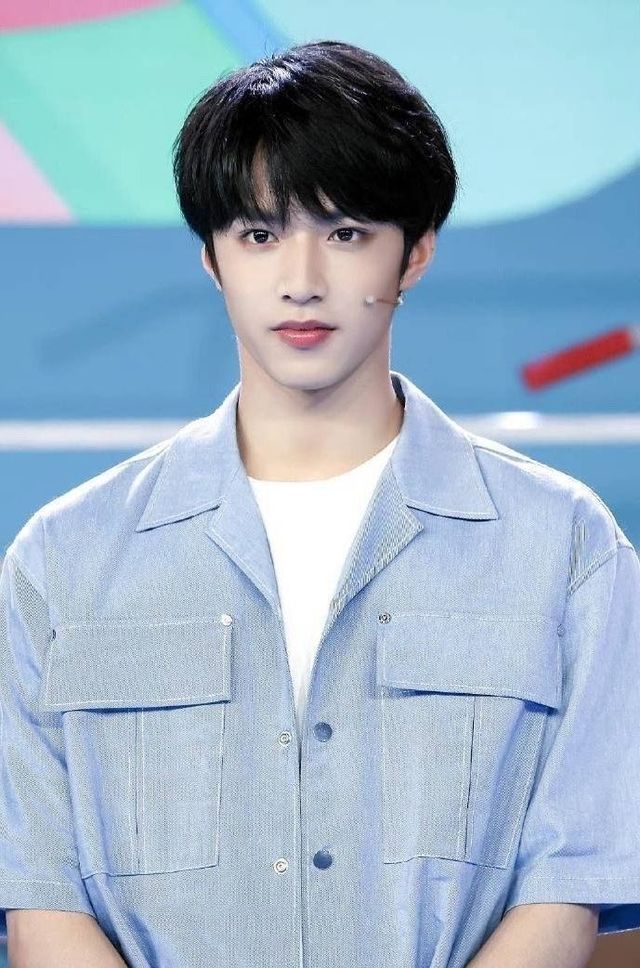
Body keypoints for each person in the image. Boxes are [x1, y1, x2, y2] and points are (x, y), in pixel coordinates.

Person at [1, 39, 639, 968]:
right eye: (259, 235)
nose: (301, 278)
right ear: (212, 259)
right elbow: (39, 896)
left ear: (415, 254)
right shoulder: (61, 560)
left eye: (345, 233)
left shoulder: (567, 545)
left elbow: (572, 887)